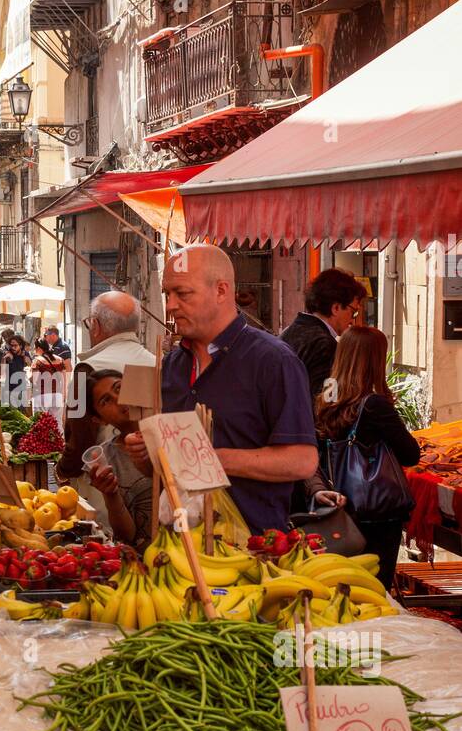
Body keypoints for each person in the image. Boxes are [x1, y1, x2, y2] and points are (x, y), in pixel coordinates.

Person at [124, 245, 317, 535]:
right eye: (168, 294)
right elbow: (164, 473)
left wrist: (211, 458)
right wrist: (146, 456)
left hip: (253, 549)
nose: (171, 305)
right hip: (178, 547)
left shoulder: (274, 361)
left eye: (183, 293)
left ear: (221, 291)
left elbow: (302, 461)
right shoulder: (171, 366)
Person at [309, 326, 420, 588]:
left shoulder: (328, 393)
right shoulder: (373, 404)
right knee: (374, 587)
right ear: (375, 360)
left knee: (341, 583)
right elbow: (410, 454)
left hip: (336, 508)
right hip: (375, 512)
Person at [64, 368, 153, 547]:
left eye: (119, 388)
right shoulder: (105, 459)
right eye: (106, 401)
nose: (119, 400)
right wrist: (111, 495)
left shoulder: (167, 429)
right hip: (144, 561)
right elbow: (127, 535)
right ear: (99, 419)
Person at [281, 268, 367, 399]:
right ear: (336, 308)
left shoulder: (290, 331)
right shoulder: (325, 344)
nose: (352, 319)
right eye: (353, 312)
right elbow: (326, 402)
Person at [77, 291, 155, 370]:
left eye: (89, 323)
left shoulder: (84, 370)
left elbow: (79, 382)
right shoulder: (157, 365)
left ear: (96, 326)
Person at [29, 337, 66, 415]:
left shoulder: (38, 361)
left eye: (35, 349)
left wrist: (29, 375)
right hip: (57, 395)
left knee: (40, 422)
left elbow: (34, 380)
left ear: (38, 348)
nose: (35, 351)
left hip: (42, 395)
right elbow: (63, 380)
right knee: (57, 423)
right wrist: (63, 395)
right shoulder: (60, 360)